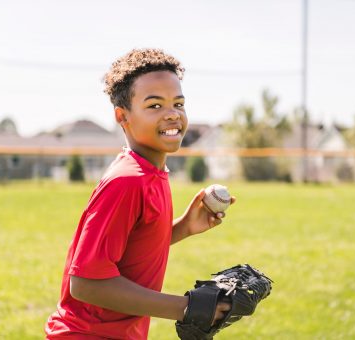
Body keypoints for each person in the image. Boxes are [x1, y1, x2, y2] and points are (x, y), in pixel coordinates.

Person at [45, 48, 235, 339]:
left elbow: (129, 252)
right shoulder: (128, 181)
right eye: (155, 105)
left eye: (178, 103)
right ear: (123, 116)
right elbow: (85, 282)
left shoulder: (151, 173)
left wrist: (183, 228)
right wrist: (187, 307)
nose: (172, 114)